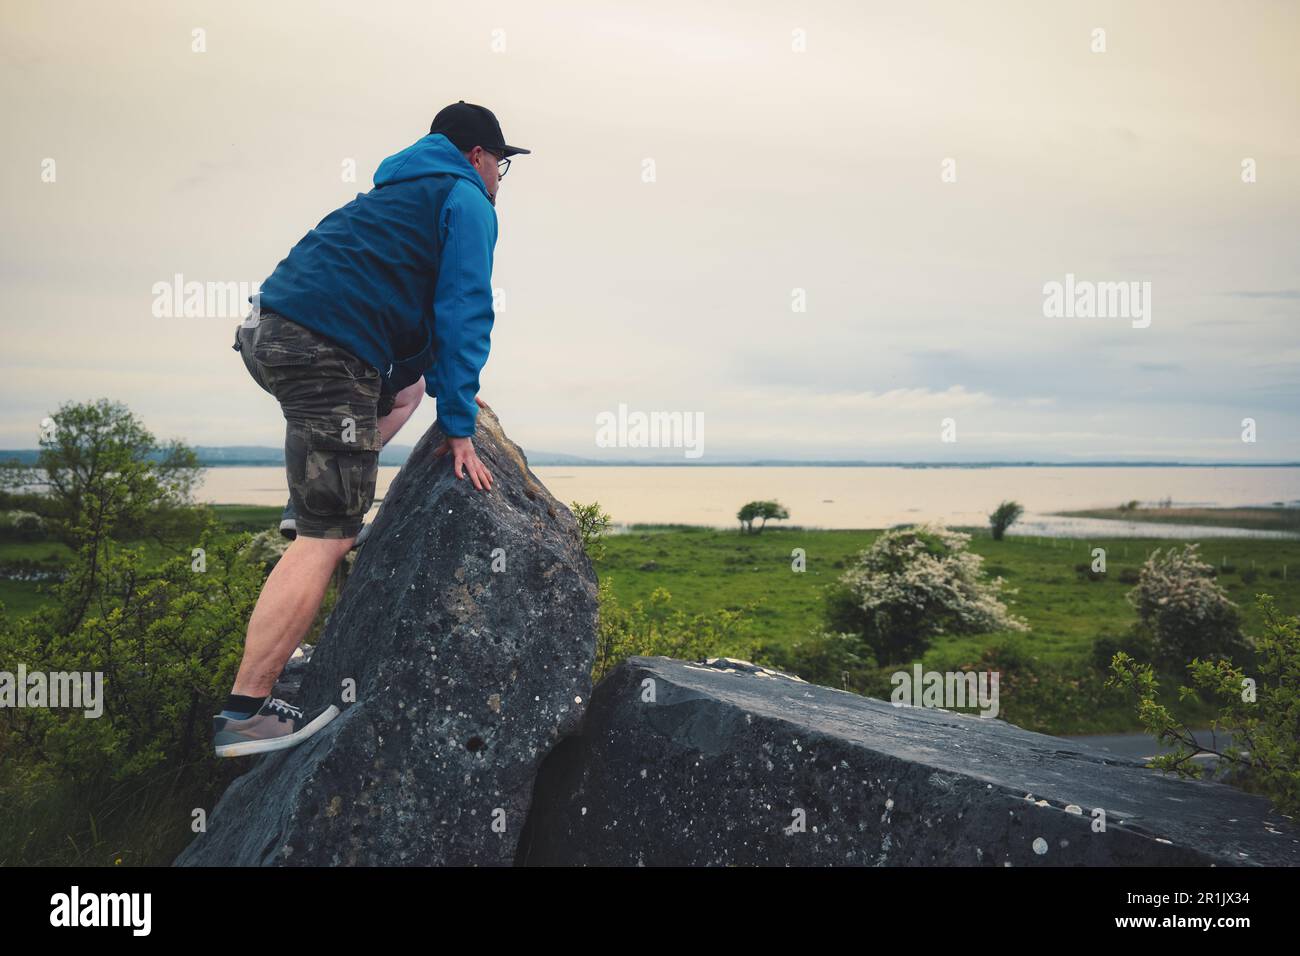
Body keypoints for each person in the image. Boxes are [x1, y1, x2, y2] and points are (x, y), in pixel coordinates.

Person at [212, 101, 528, 757]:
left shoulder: (400, 190)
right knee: (332, 535)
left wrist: (436, 393)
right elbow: (465, 312)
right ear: (478, 156)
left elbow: (415, 340)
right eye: (502, 162)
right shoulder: (468, 201)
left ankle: (314, 506)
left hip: (275, 331)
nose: (502, 176)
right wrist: (460, 427)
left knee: (404, 391)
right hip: (324, 348)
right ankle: (244, 714)